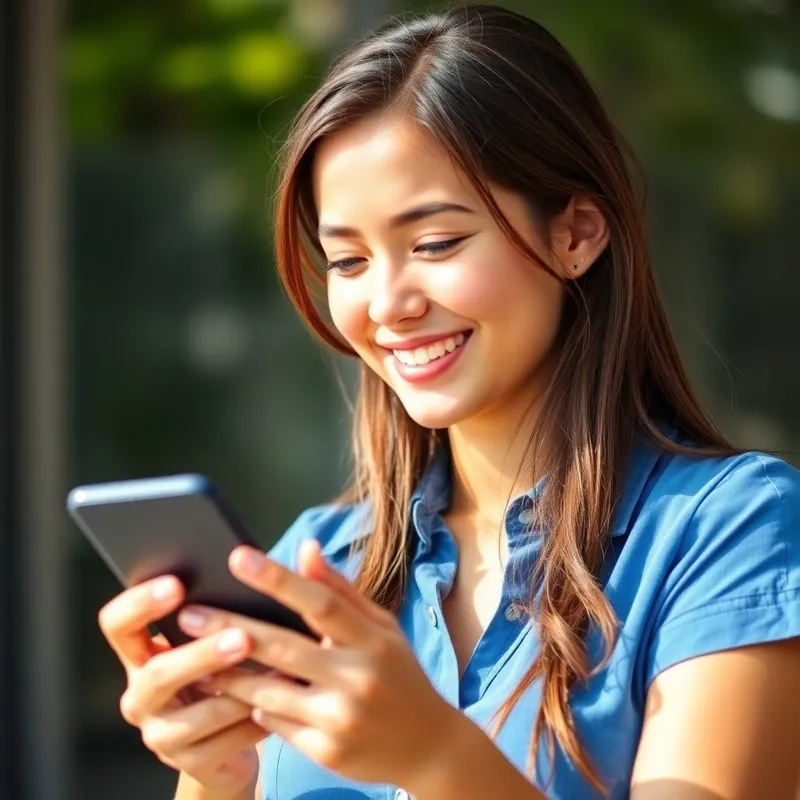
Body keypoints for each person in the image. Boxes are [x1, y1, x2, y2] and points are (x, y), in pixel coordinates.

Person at [97, 5, 800, 799]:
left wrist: (433, 757)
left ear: (577, 233)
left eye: (435, 243)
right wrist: (215, 772)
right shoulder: (319, 562)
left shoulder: (727, 531)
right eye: (348, 260)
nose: (388, 302)